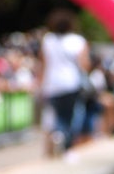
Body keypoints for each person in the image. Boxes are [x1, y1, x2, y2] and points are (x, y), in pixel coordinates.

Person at [37, 8, 90, 157]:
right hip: (70, 83)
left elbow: (43, 65)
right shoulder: (78, 41)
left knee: (55, 115)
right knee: (69, 116)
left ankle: (57, 134)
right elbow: (84, 65)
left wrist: (40, 86)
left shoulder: (48, 40)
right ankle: (65, 142)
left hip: (51, 84)